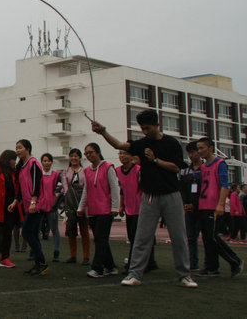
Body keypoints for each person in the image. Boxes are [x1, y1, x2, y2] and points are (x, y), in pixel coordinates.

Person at [92, 109, 197, 288]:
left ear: (157, 125)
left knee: (179, 237)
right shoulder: (142, 144)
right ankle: (134, 274)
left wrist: (155, 160)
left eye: (148, 128)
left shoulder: (171, 143)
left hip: (171, 195)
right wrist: (103, 132)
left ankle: (184, 275)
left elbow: (176, 168)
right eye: (142, 128)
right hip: (149, 197)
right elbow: (119, 145)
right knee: (141, 237)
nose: (145, 131)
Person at [195, 137, 244, 277]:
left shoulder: (220, 164)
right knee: (207, 238)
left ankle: (235, 261)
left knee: (213, 237)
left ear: (210, 148)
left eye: (202, 148)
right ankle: (211, 267)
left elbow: (224, 185)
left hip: (213, 205)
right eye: (198, 149)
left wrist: (221, 204)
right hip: (203, 205)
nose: (199, 151)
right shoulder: (203, 167)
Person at [77, 143, 120, 278]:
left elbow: (114, 187)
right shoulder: (87, 171)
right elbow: (86, 190)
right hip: (93, 210)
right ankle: (111, 267)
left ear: (98, 152)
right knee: (100, 239)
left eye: (91, 152)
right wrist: (81, 207)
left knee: (101, 239)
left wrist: (115, 207)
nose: (89, 155)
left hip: (105, 210)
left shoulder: (108, 167)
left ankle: (98, 268)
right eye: (86, 153)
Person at [116, 148, 158, 273]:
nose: (122, 156)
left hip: (141, 208)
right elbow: (122, 189)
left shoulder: (139, 170)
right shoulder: (118, 171)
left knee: (137, 237)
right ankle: (149, 262)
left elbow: (147, 188)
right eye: (120, 153)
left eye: (125, 154)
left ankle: (134, 264)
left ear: (132, 156)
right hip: (130, 208)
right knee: (132, 236)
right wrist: (121, 205)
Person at [15, 139, 47, 276]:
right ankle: (39, 264)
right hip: (29, 205)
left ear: (28, 149)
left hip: (36, 205)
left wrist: (34, 201)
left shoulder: (33, 163)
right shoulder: (22, 167)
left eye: (20, 147)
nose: (17, 150)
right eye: (16, 148)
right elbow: (21, 187)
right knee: (32, 234)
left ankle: (41, 261)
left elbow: (36, 184)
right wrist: (16, 201)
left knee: (27, 232)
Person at [61, 148, 91, 265]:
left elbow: (86, 187)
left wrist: (82, 204)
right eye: (72, 156)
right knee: (71, 230)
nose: (73, 158)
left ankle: (86, 257)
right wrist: (70, 200)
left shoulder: (85, 171)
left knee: (84, 231)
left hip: (83, 203)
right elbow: (65, 187)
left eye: (76, 156)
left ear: (80, 158)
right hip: (71, 204)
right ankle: (73, 256)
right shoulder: (65, 172)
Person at [180, 141, 203, 271]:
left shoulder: (205, 169)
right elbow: (182, 189)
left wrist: (195, 204)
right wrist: (186, 204)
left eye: (193, 152)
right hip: (189, 208)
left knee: (208, 237)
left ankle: (210, 264)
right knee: (190, 237)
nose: (191, 155)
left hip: (203, 207)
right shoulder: (186, 171)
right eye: (189, 153)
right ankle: (193, 263)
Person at [40, 153, 61, 263]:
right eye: (44, 161)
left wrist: (58, 194)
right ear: (41, 162)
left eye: (48, 161)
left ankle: (56, 252)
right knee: (36, 229)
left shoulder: (56, 175)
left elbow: (64, 185)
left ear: (52, 162)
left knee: (55, 229)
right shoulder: (38, 175)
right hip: (40, 206)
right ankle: (35, 252)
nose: (47, 163)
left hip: (52, 206)